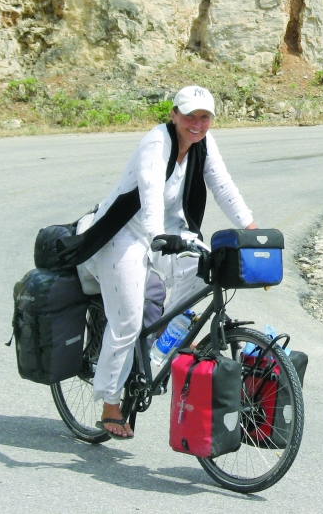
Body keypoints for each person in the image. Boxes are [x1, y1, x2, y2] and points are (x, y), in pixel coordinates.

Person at [72, 85, 256, 439]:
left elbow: (223, 186)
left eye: (204, 117)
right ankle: (110, 402)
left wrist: (250, 229)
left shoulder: (204, 143)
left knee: (206, 269)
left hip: (166, 230)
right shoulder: (157, 142)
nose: (197, 124)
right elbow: (151, 190)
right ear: (173, 115)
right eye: (189, 116)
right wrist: (158, 235)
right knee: (127, 320)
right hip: (122, 232)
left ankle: (164, 335)